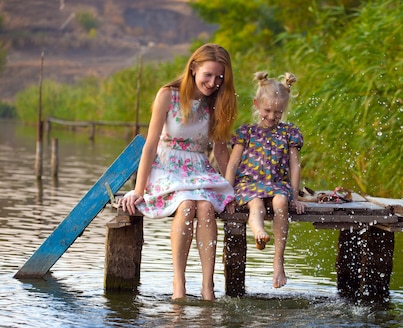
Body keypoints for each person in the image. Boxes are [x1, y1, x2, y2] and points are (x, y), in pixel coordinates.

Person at [119, 43, 237, 301]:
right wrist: (139, 189)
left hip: (198, 168)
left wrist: (231, 189)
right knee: (186, 205)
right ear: (193, 68)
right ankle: (179, 283)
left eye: (220, 77)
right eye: (208, 75)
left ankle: (208, 286)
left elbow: (219, 151)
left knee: (205, 207)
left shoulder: (216, 102)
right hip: (167, 167)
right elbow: (150, 145)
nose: (213, 82)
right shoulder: (168, 95)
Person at [225, 71, 306, 289]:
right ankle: (259, 232)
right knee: (256, 204)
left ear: (284, 110)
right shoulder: (246, 132)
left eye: (278, 112)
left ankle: (278, 262)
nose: (272, 116)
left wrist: (296, 195)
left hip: (278, 184)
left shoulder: (289, 132)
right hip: (249, 185)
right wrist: (227, 194)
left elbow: (294, 165)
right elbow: (232, 165)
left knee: (281, 202)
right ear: (257, 104)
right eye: (267, 110)